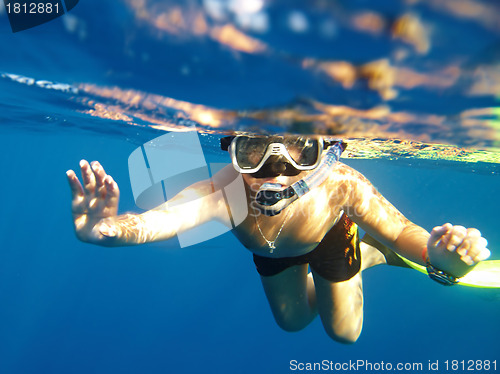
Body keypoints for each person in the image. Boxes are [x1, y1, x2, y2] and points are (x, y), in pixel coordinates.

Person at [66, 134, 490, 344]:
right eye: (253, 153)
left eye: (300, 152)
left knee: (343, 333)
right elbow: (167, 219)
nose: (277, 171)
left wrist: (435, 254)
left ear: (324, 153)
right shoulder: (224, 194)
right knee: (290, 323)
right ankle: (367, 254)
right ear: (234, 150)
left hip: (330, 241)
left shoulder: (342, 185)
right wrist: (109, 231)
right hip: (271, 253)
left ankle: (367, 254)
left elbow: (399, 229)